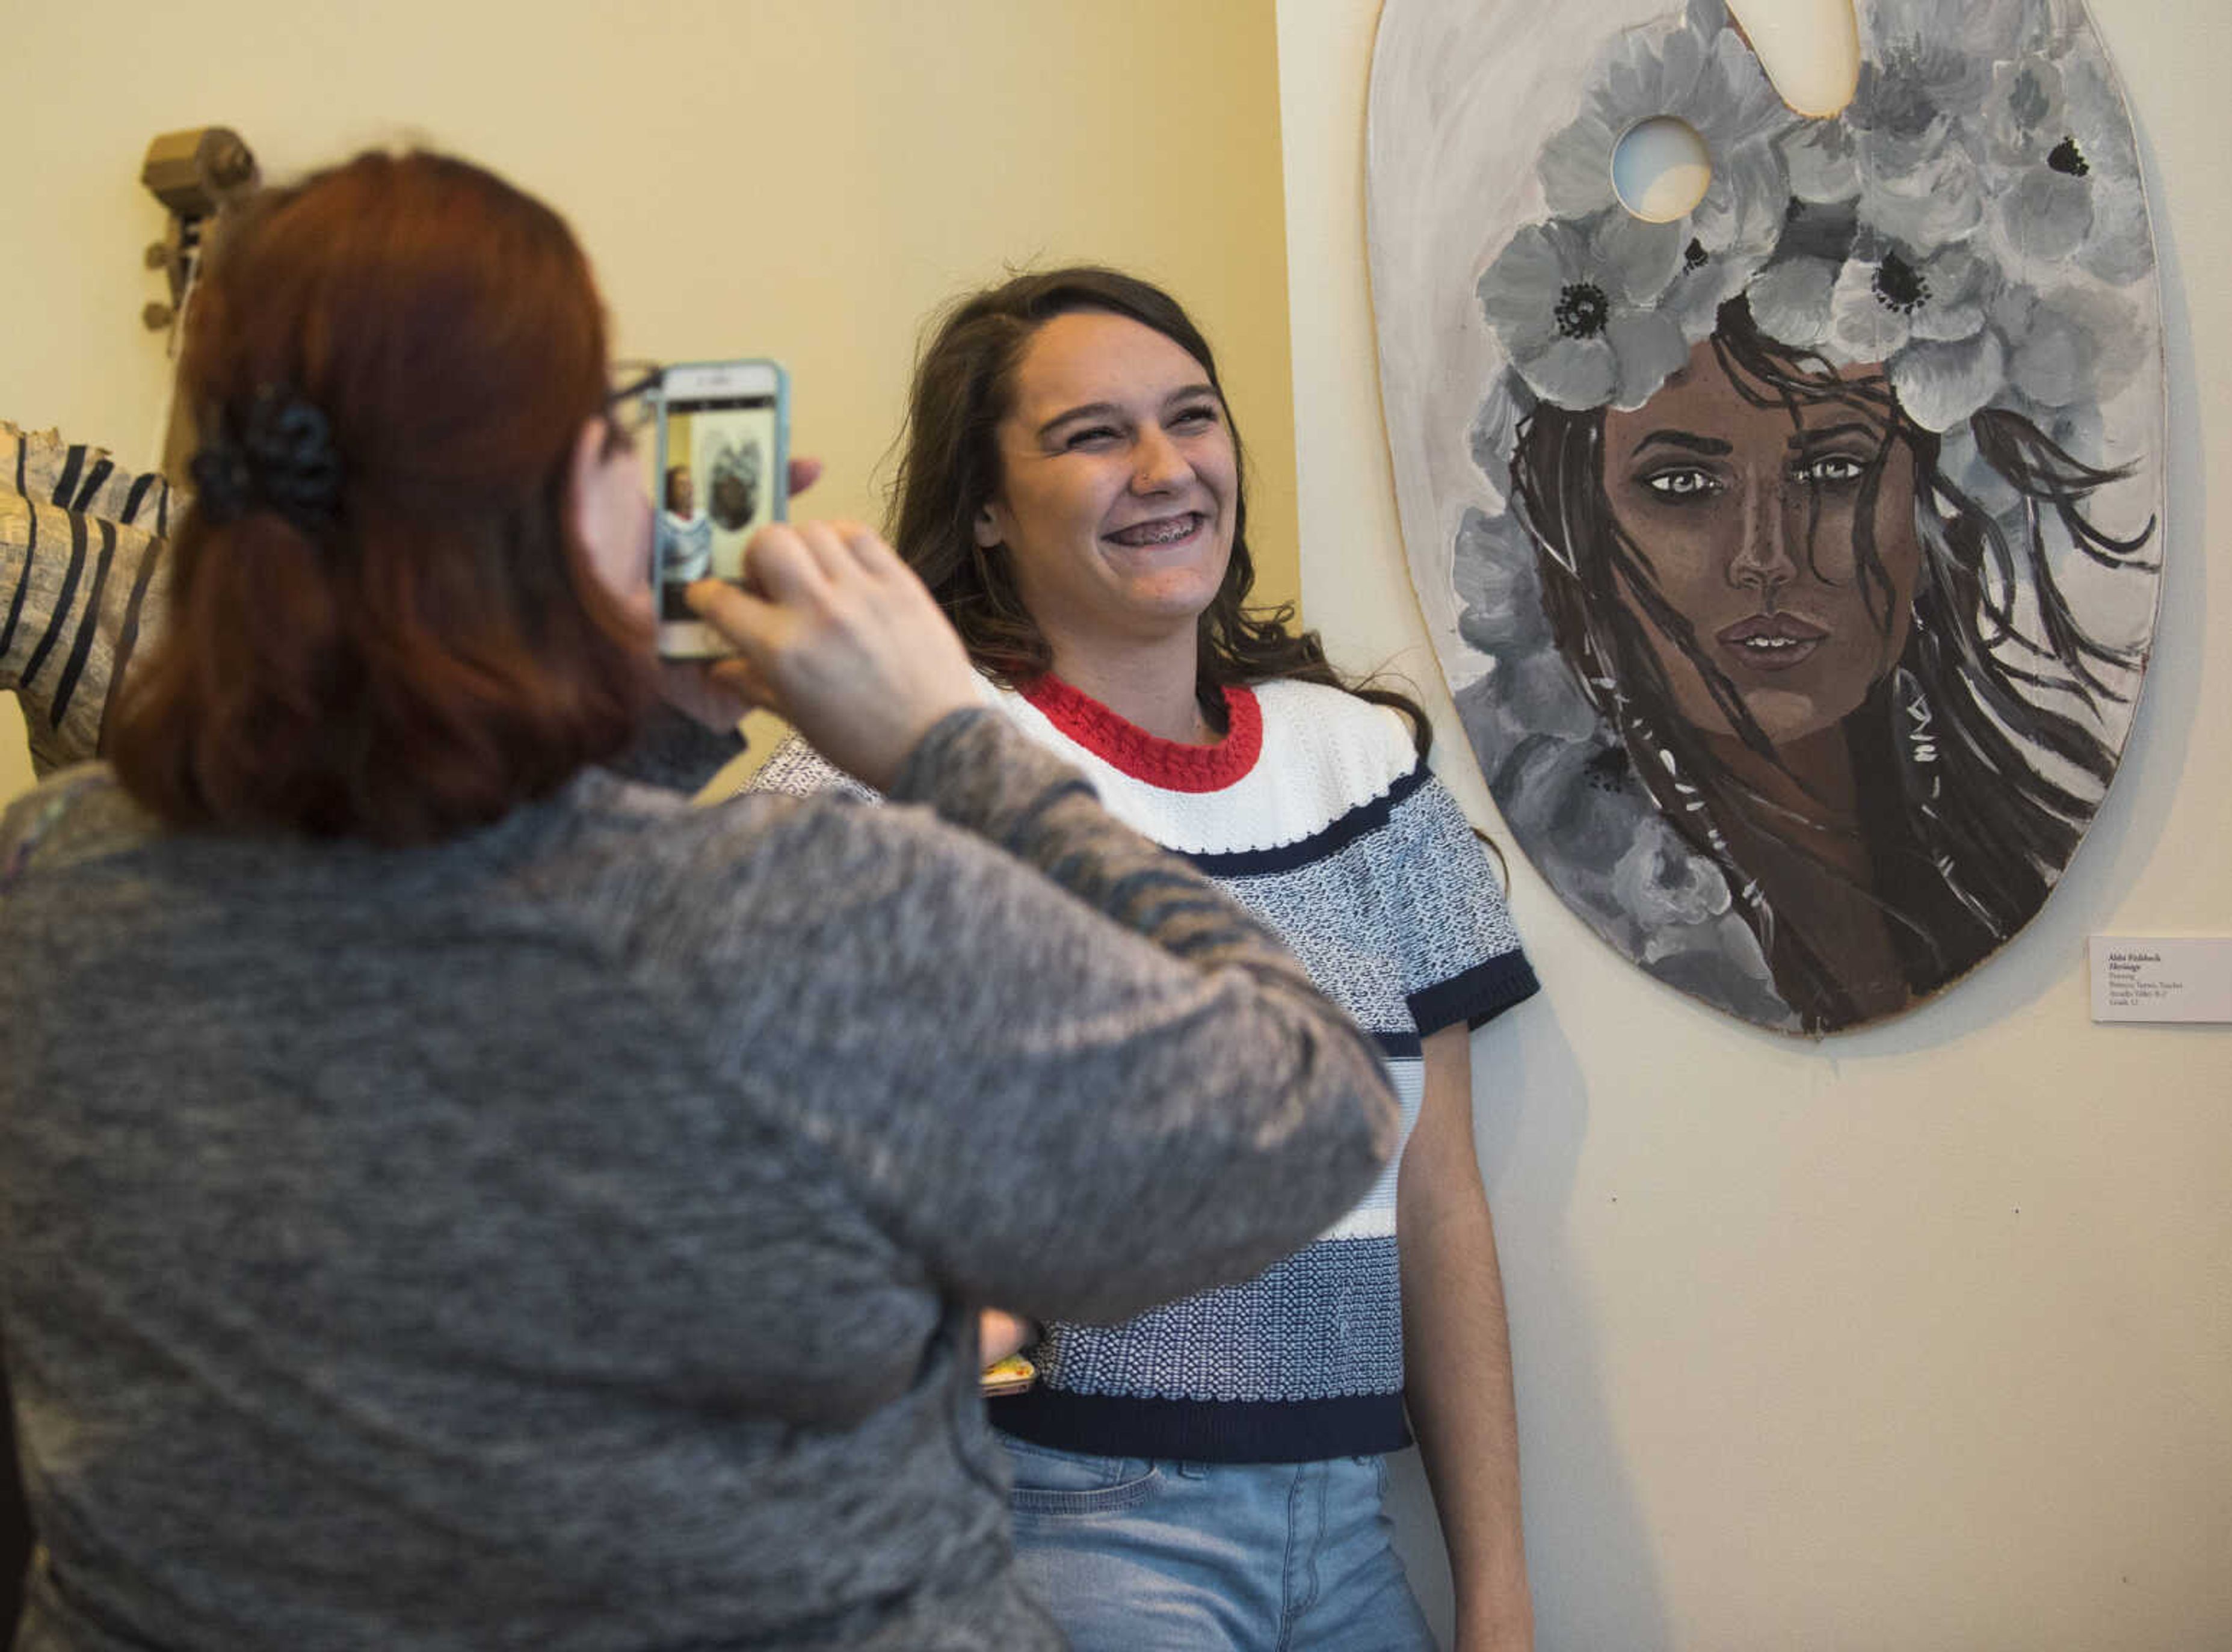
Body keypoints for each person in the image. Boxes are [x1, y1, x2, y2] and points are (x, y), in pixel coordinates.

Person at [0, 152, 1403, 1651]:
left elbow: (468, 902)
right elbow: (1311, 1108)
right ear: (543, 505)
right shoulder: (801, 914)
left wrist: (651, 729)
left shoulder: (52, 888)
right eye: (609, 414)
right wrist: (956, 748)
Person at [753, 268, 1540, 1650]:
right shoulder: (900, 760)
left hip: (1351, 1528)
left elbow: (1440, 1201)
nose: (1165, 467)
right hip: (1068, 1526)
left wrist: (1495, 1589)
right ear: (984, 507)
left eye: (1191, 417)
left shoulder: (1358, 767)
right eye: (1092, 435)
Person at [1455, 0, 2159, 1033]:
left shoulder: (1993, 860)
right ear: (1581, 526)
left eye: (1832, 471)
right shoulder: (1562, 869)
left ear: (1929, 489)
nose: (1764, 559)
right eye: (1684, 486)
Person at [655, 460, 711, 617]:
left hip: (701, 597)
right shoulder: (663, 524)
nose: (689, 489)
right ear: (670, 491)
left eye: (690, 484)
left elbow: (708, 561)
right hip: (673, 600)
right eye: (682, 485)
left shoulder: (703, 521)